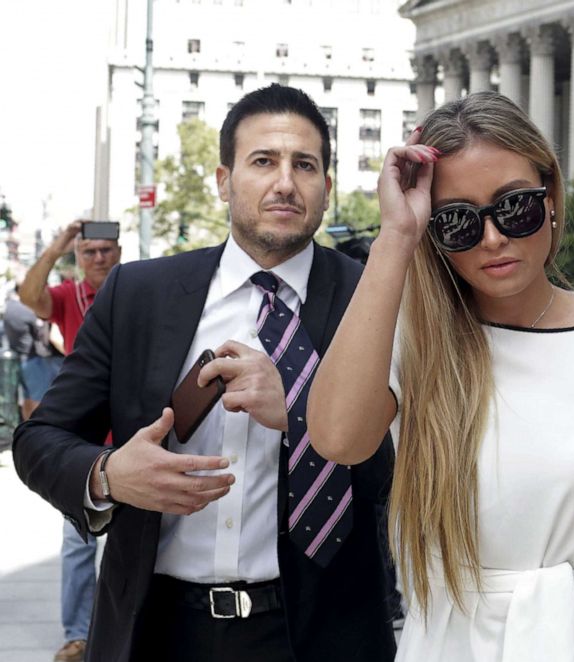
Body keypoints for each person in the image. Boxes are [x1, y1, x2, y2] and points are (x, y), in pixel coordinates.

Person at [306, 91, 574, 661]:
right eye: (458, 222)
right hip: (453, 640)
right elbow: (337, 439)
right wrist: (396, 235)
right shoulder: (415, 341)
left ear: (550, 197)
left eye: (514, 207)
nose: (493, 238)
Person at [13, 84, 395, 662]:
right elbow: (39, 439)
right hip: (157, 629)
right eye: (263, 161)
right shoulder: (138, 293)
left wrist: (300, 410)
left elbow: (408, 476)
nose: (285, 182)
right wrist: (110, 474)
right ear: (223, 180)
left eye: (305, 165)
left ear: (327, 188)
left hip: (317, 635)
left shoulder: (376, 299)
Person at [18, 222, 121, 662]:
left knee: (134, 546)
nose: (98, 258)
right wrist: (59, 244)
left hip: (136, 434)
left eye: (105, 250)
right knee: (79, 543)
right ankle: (79, 635)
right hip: (84, 441)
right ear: (79, 256)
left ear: (119, 251)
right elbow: (28, 297)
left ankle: (124, 629)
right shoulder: (67, 297)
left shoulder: (134, 290)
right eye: (89, 251)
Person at [3, 286, 63, 420]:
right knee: (39, 399)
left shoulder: (10, 307)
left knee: (27, 398)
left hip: (20, 357)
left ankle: (28, 429)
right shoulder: (27, 310)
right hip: (35, 361)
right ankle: (37, 430)